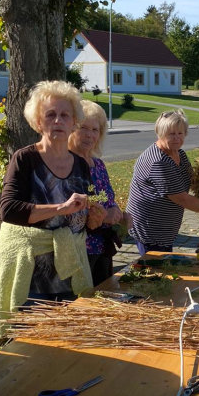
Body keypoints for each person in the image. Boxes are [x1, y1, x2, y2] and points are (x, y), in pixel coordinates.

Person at [0, 81, 105, 333]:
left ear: (74, 121)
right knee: (28, 339)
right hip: (30, 268)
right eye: (50, 115)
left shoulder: (81, 165)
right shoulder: (25, 158)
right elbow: (9, 210)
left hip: (68, 267)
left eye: (65, 115)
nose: (58, 121)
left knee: (67, 337)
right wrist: (60, 208)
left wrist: (91, 218)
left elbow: (76, 219)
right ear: (39, 122)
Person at [126, 109, 199, 255]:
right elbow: (182, 199)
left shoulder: (179, 153)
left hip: (165, 229)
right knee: (155, 270)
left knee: (164, 265)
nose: (176, 138)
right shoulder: (159, 161)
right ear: (160, 134)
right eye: (171, 134)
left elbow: (194, 181)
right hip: (150, 229)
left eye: (180, 133)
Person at [69, 100, 129, 286]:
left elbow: (107, 197)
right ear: (72, 129)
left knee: (104, 295)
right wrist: (104, 216)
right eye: (83, 128)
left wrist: (120, 215)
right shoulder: (67, 163)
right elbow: (69, 208)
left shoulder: (99, 164)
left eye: (95, 130)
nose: (89, 135)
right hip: (78, 249)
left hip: (102, 247)